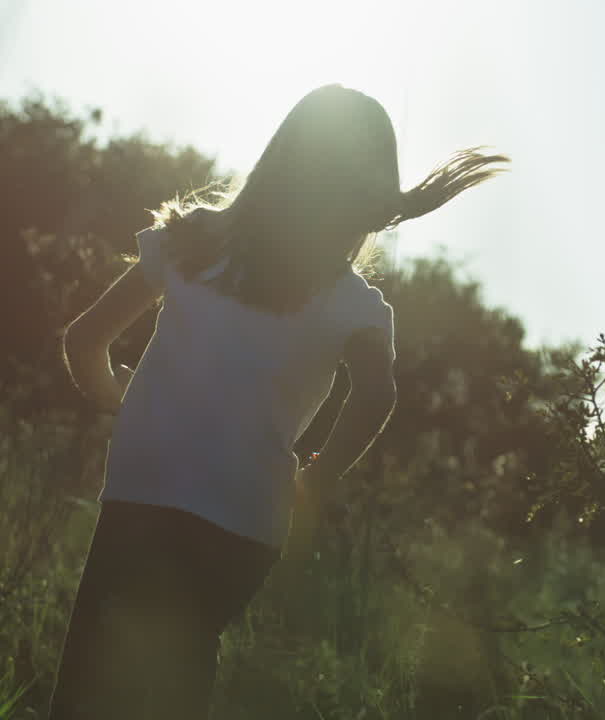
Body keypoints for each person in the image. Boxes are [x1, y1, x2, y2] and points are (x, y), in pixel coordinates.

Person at [49, 84, 508, 719]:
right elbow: (377, 396)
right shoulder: (354, 304)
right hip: (244, 521)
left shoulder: (191, 243)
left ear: (278, 160)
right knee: (177, 684)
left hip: (141, 494)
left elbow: (83, 341)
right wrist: (318, 480)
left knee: (88, 690)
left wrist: (119, 400)